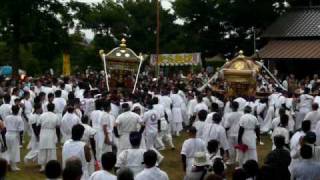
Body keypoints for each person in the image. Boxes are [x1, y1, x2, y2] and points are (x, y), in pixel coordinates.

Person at [38, 103, 59, 172]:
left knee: (43, 150)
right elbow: (58, 125)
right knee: (51, 150)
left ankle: (43, 166)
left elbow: (38, 124)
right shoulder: (55, 116)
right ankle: (50, 167)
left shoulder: (42, 115)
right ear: (53, 108)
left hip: (43, 133)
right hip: (51, 133)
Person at [3, 105, 24, 171]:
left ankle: (8, 162)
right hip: (14, 135)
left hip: (7, 134)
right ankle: (13, 166)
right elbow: (21, 130)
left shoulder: (7, 117)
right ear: (18, 110)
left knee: (8, 150)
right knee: (14, 151)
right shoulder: (19, 118)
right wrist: (20, 140)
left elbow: (5, 126)